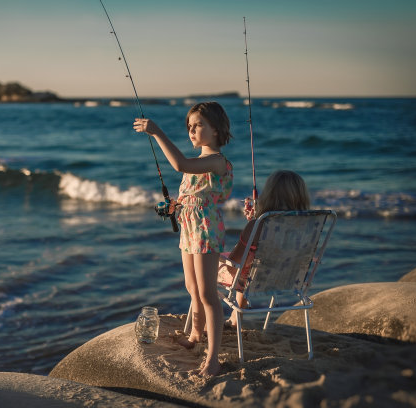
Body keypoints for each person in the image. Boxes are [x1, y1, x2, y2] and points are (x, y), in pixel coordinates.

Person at [133, 102, 233, 377]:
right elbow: (195, 193)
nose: (191, 130)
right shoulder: (199, 163)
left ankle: (213, 358)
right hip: (190, 227)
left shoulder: (216, 160)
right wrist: (177, 204)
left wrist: (156, 132)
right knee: (191, 287)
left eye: (197, 124)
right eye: (189, 126)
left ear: (216, 128)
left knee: (207, 294)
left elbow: (180, 164)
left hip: (205, 229)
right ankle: (195, 335)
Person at [222, 170, 311, 328]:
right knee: (250, 266)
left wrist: (252, 224)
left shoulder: (258, 225)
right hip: (289, 278)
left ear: (269, 195)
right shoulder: (307, 225)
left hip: (252, 280)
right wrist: (255, 221)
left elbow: (234, 261)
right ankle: (236, 318)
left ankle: (208, 320)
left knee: (219, 265)